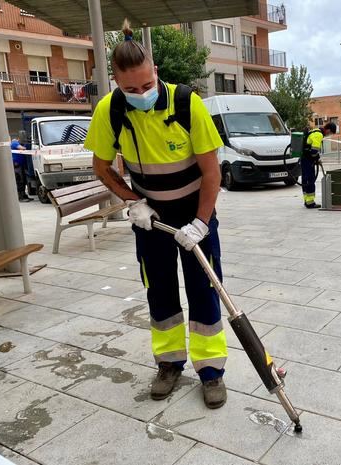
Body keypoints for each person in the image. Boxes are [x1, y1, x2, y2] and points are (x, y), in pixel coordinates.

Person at [84, 20, 228, 408]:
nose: (140, 94)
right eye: (130, 89)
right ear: (116, 83)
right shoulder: (110, 111)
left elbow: (212, 172)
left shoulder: (186, 103)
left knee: (203, 289)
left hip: (195, 208)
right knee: (159, 289)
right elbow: (101, 168)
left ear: (156, 73)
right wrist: (133, 202)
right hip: (150, 216)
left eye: (146, 86)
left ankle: (211, 371)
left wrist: (200, 223)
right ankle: (168, 363)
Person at [301, 122, 337, 209]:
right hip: (308, 160)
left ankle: (307, 201)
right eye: (330, 133)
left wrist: (317, 159)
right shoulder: (319, 135)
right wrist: (317, 159)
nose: (329, 135)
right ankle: (310, 203)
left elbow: (312, 150)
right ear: (328, 130)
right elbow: (314, 151)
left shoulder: (315, 131)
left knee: (305, 180)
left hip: (304, 159)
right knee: (310, 180)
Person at [11, 136, 32, 202]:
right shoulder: (14, 143)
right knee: (20, 180)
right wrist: (27, 147)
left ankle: (24, 195)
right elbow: (22, 148)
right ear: (18, 139)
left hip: (20, 165)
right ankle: (21, 197)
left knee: (23, 180)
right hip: (17, 165)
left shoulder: (16, 143)